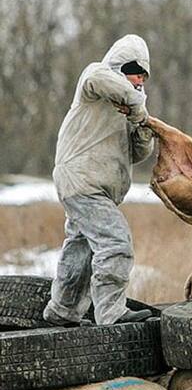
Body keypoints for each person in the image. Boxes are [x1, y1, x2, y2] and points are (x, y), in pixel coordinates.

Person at [43, 34, 155, 326]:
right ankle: (111, 313)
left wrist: (140, 123)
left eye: (143, 76)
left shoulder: (129, 106)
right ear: (120, 68)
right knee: (116, 243)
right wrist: (136, 104)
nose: (139, 81)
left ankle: (62, 310)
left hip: (97, 189)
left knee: (80, 249)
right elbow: (103, 79)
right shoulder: (94, 80)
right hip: (83, 182)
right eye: (134, 73)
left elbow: (138, 153)